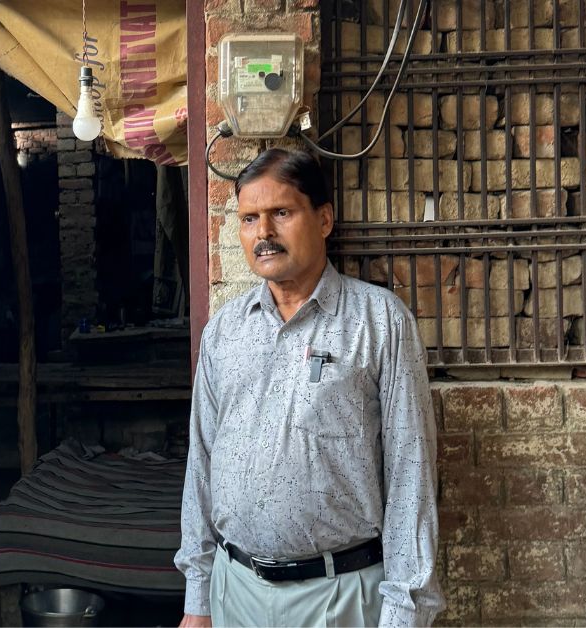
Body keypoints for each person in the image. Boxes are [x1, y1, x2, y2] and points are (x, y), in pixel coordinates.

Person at [175, 148, 444, 627]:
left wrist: (404, 614)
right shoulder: (224, 331)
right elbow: (202, 463)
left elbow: (411, 476)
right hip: (235, 592)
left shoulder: (378, 322)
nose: (263, 233)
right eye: (249, 219)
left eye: (281, 213)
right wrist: (198, 598)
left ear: (323, 220)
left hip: (340, 596)